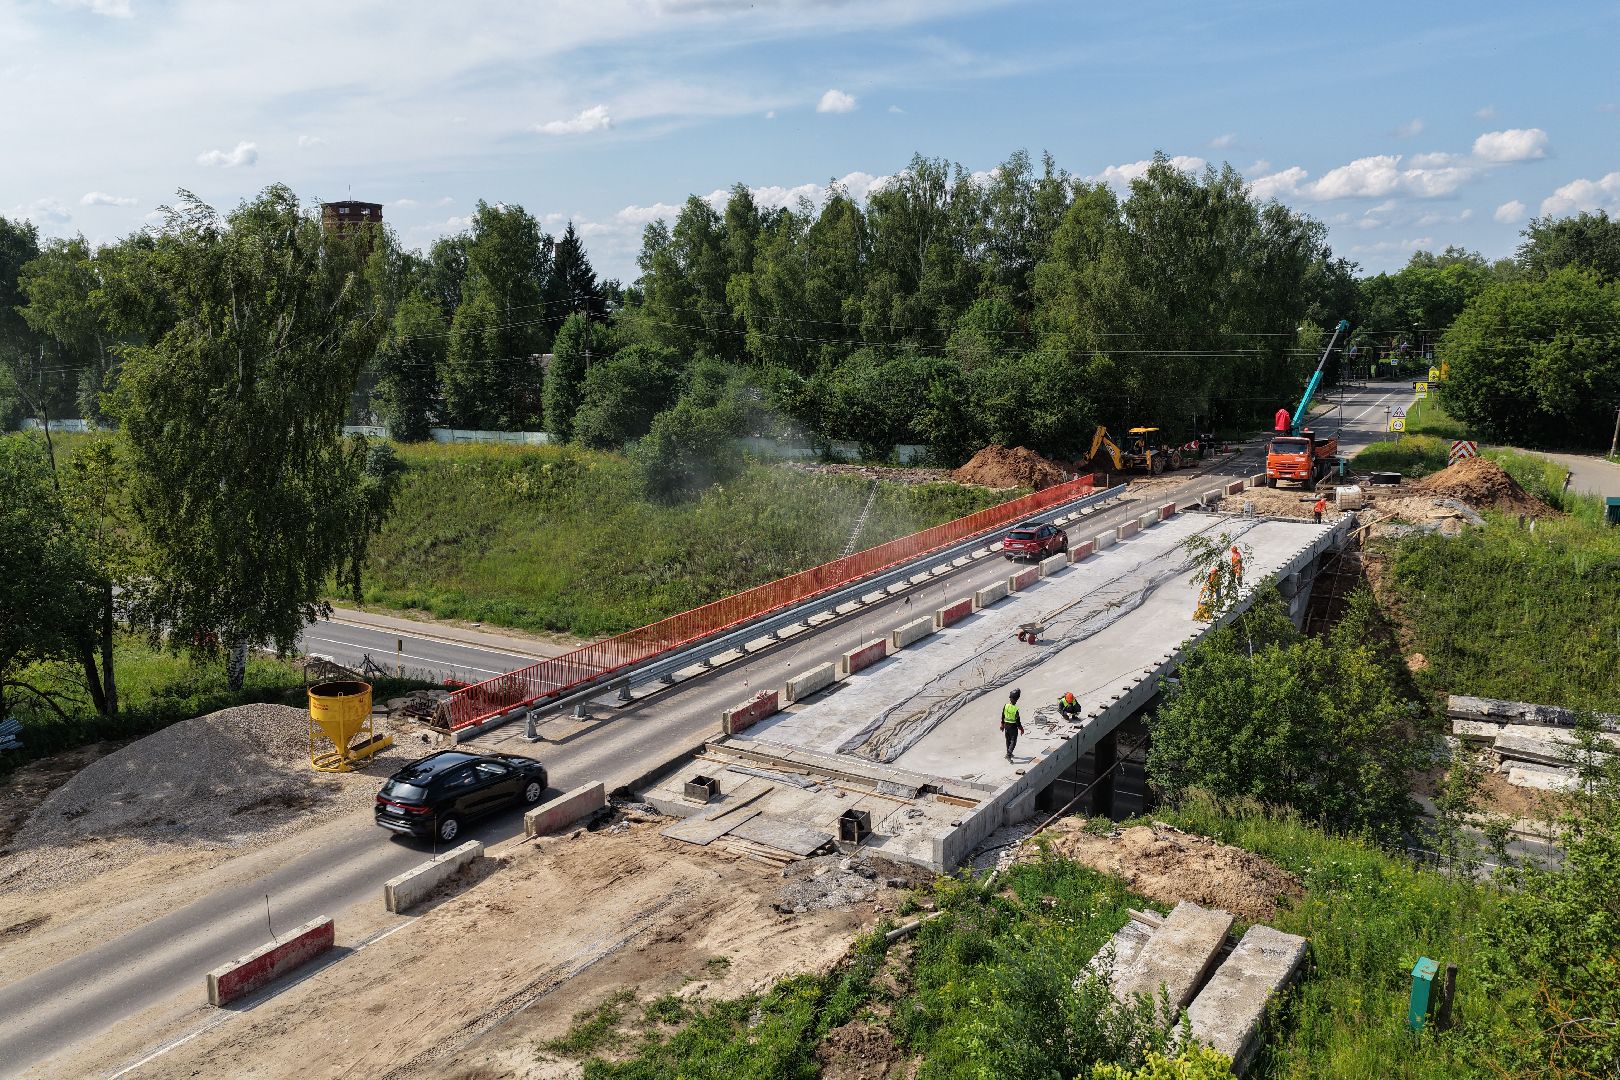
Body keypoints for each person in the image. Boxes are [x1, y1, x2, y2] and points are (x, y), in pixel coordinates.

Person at [1001, 689, 1024, 761]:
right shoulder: (1015, 709)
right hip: (1013, 727)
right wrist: (1021, 729)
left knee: (1008, 740)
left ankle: (1008, 753)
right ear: (1017, 699)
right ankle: (1009, 755)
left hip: (1006, 726)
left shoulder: (1006, 706)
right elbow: (1018, 722)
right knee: (1013, 741)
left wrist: (1002, 724)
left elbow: (1003, 715)